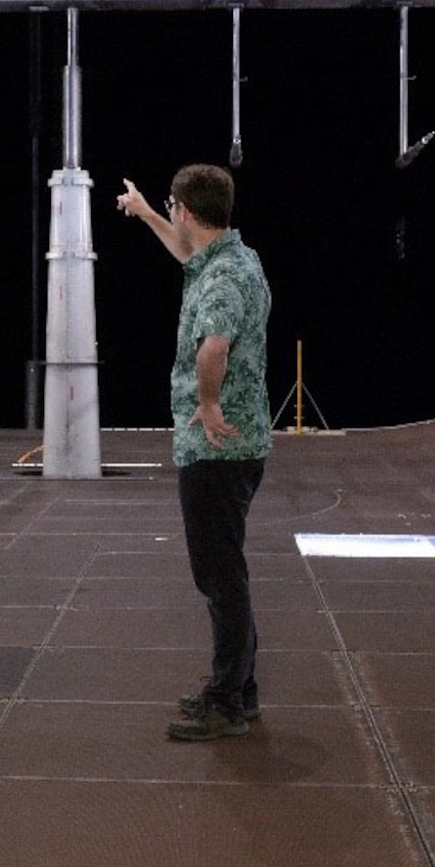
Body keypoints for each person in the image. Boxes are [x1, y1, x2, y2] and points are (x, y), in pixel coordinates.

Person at [116, 165, 272, 740]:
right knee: (225, 572)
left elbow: (214, 346)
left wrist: (207, 404)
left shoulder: (224, 277)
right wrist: (145, 214)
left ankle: (228, 701)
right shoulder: (232, 260)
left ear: (187, 210)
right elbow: (188, 257)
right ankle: (241, 690)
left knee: (220, 578)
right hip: (234, 448)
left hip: (219, 449)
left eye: (169, 208)